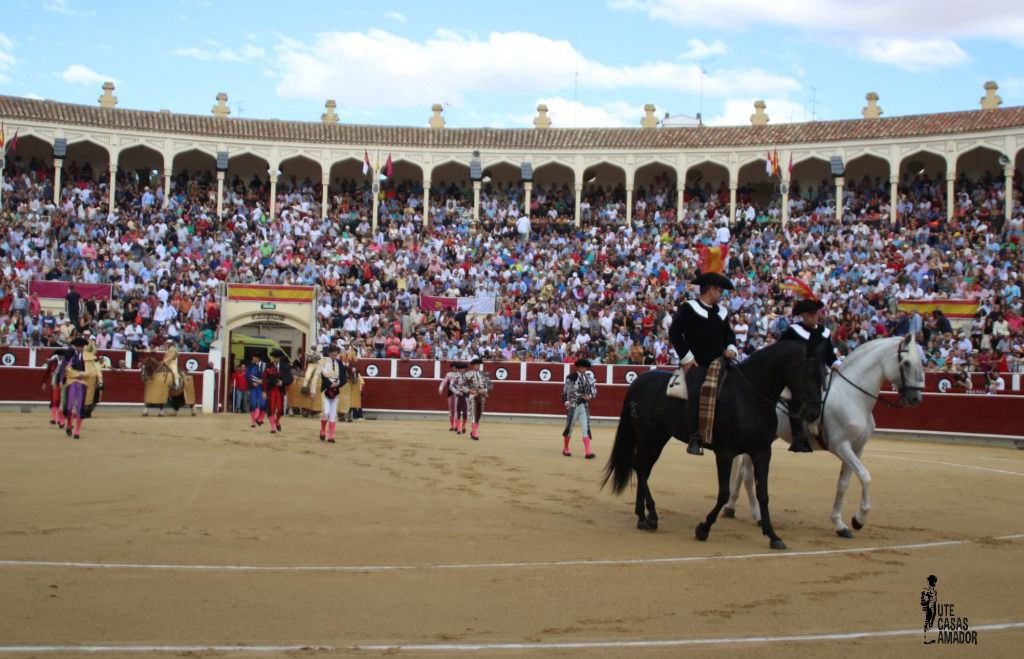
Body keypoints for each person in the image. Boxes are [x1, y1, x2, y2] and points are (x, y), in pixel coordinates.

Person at [668, 272, 738, 456]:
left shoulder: (721, 312)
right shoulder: (689, 308)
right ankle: (694, 437)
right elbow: (675, 334)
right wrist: (687, 359)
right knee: (695, 391)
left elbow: (729, 336)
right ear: (712, 290)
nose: (721, 294)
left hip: (720, 362)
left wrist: (731, 347)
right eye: (720, 290)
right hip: (697, 363)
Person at [778, 298, 839, 453]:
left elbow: (830, 355)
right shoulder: (793, 331)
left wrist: (835, 363)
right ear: (803, 316)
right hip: (798, 375)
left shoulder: (824, 332)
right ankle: (798, 438)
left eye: (816, 313)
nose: (814, 317)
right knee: (793, 398)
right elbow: (780, 352)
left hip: (819, 374)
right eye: (810, 314)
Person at [562, 357, 597, 458]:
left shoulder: (588, 379)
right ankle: (566, 448)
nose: (584, 369)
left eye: (585, 368)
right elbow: (565, 391)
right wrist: (567, 402)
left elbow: (594, 390)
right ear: (578, 367)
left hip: (584, 406)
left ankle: (588, 452)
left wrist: (590, 396)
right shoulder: (571, 378)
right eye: (583, 367)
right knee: (570, 427)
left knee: (586, 427)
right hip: (573, 405)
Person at [317, 344, 347, 442]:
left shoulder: (339, 363)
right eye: (332, 355)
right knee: (326, 412)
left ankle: (331, 435)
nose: (334, 356)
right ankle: (322, 430)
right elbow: (323, 377)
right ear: (329, 354)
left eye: (335, 355)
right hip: (326, 389)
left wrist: (337, 384)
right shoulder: (324, 362)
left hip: (335, 391)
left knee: (333, 413)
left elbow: (344, 378)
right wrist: (330, 384)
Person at [62, 337, 89, 439]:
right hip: (72, 382)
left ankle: (77, 431)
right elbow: (67, 369)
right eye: (77, 346)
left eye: (80, 347)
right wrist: (78, 374)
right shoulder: (71, 356)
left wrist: (83, 374)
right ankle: (69, 424)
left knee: (79, 408)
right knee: (69, 407)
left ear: (83, 347)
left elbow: (91, 370)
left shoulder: (88, 357)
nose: (78, 348)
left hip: (82, 383)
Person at [462, 356, 493, 440]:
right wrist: (469, 391)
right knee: (474, 414)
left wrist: (485, 390)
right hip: (473, 396)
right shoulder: (468, 374)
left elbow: (490, 385)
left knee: (479, 414)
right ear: (473, 365)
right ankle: (475, 432)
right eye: (476, 364)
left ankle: (473, 430)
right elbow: (462, 386)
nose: (478, 366)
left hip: (482, 396)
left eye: (479, 364)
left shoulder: (484, 374)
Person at [262, 349, 293, 433]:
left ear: (279, 358)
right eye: (274, 357)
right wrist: (264, 391)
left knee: (280, 410)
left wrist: (283, 382)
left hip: (280, 390)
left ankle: (277, 421)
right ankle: (273, 427)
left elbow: (290, 378)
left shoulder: (285, 366)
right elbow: (265, 379)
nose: (275, 359)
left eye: (276, 358)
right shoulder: (268, 366)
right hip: (271, 390)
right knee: (271, 409)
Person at [41, 349, 68, 427]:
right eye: (60, 355)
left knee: (62, 401)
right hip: (54, 381)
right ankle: (53, 417)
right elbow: (47, 372)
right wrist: (44, 382)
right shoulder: (53, 361)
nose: (61, 357)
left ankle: (60, 419)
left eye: (62, 355)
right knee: (54, 399)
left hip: (64, 382)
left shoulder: (66, 362)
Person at [439, 362, 466, 431]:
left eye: (456, 367)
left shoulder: (461, 375)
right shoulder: (449, 374)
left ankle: (457, 426)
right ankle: (452, 426)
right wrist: (441, 388)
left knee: (457, 410)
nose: (455, 368)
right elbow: (444, 382)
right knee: (451, 410)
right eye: (453, 367)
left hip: (458, 394)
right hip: (451, 394)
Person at [246, 353, 267, 428]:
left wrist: (263, 381)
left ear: (258, 358)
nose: (252, 359)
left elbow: (267, 376)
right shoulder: (251, 366)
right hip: (253, 387)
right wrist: (253, 382)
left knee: (263, 404)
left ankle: (260, 419)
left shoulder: (265, 365)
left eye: (254, 357)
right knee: (253, 404)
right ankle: (253, 421)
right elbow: (247, 376)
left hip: (262, 387)